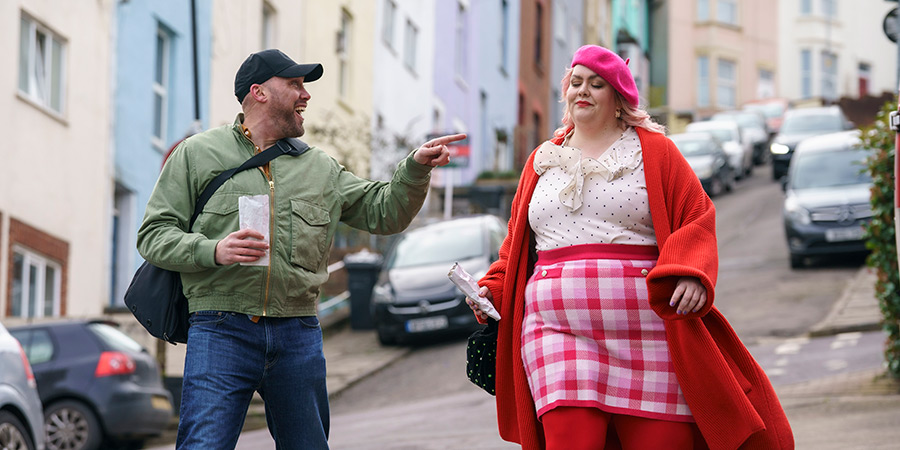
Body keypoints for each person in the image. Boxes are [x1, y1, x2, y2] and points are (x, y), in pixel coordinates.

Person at [466, 45, 794, 449]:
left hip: (649, 334)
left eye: (596, 84)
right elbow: (515, 246)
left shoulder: (656, 152)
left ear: (618, 97)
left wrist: (690, 271)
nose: (582, 90)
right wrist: (493, 289)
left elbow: (696, 217)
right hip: (556, 331)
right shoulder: (542, 159)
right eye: (576, 82)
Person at [137, 48, 464, 449]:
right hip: (221, 327)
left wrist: (414, 167)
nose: (305, 95)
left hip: (298, 332)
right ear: (258, 92)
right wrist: (213, 250)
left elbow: (385, 214)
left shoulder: (321, 168)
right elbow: (154, 234)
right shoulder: (196, 154)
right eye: (294, 85)